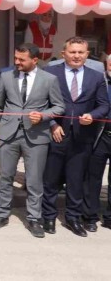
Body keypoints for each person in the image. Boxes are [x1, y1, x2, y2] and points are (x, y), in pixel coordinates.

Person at [0, 43, 64, 238]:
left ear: (35, 60)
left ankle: (34, 218)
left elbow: (59, 106)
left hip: (36, 136)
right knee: (4, 176)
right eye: (16, 58)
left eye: (22, 59)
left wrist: (44, 116)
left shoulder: (49, 79)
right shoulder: (6, 77)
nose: (17, 62)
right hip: (8, 134)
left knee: (34, 180)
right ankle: (1, 214)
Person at [43, 37, 109, 237]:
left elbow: (104, 105)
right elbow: (41, 102)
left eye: (81, 52)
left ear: (87, 54)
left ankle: (73, 217)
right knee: (51, 179)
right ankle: (48, 217)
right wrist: (52, 124)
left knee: (76, 180)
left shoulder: (96, 77)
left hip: (83, 136)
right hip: (56, 134)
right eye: (72, 52)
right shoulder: (50, 73)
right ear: (63, 53)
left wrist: (93, 116)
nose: (77, 56)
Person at [83, 54, 111, 232]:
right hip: (100, 136)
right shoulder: (97, 80)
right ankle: (90, 217)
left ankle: (109, 217)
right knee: (92, 178)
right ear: (106, 65)